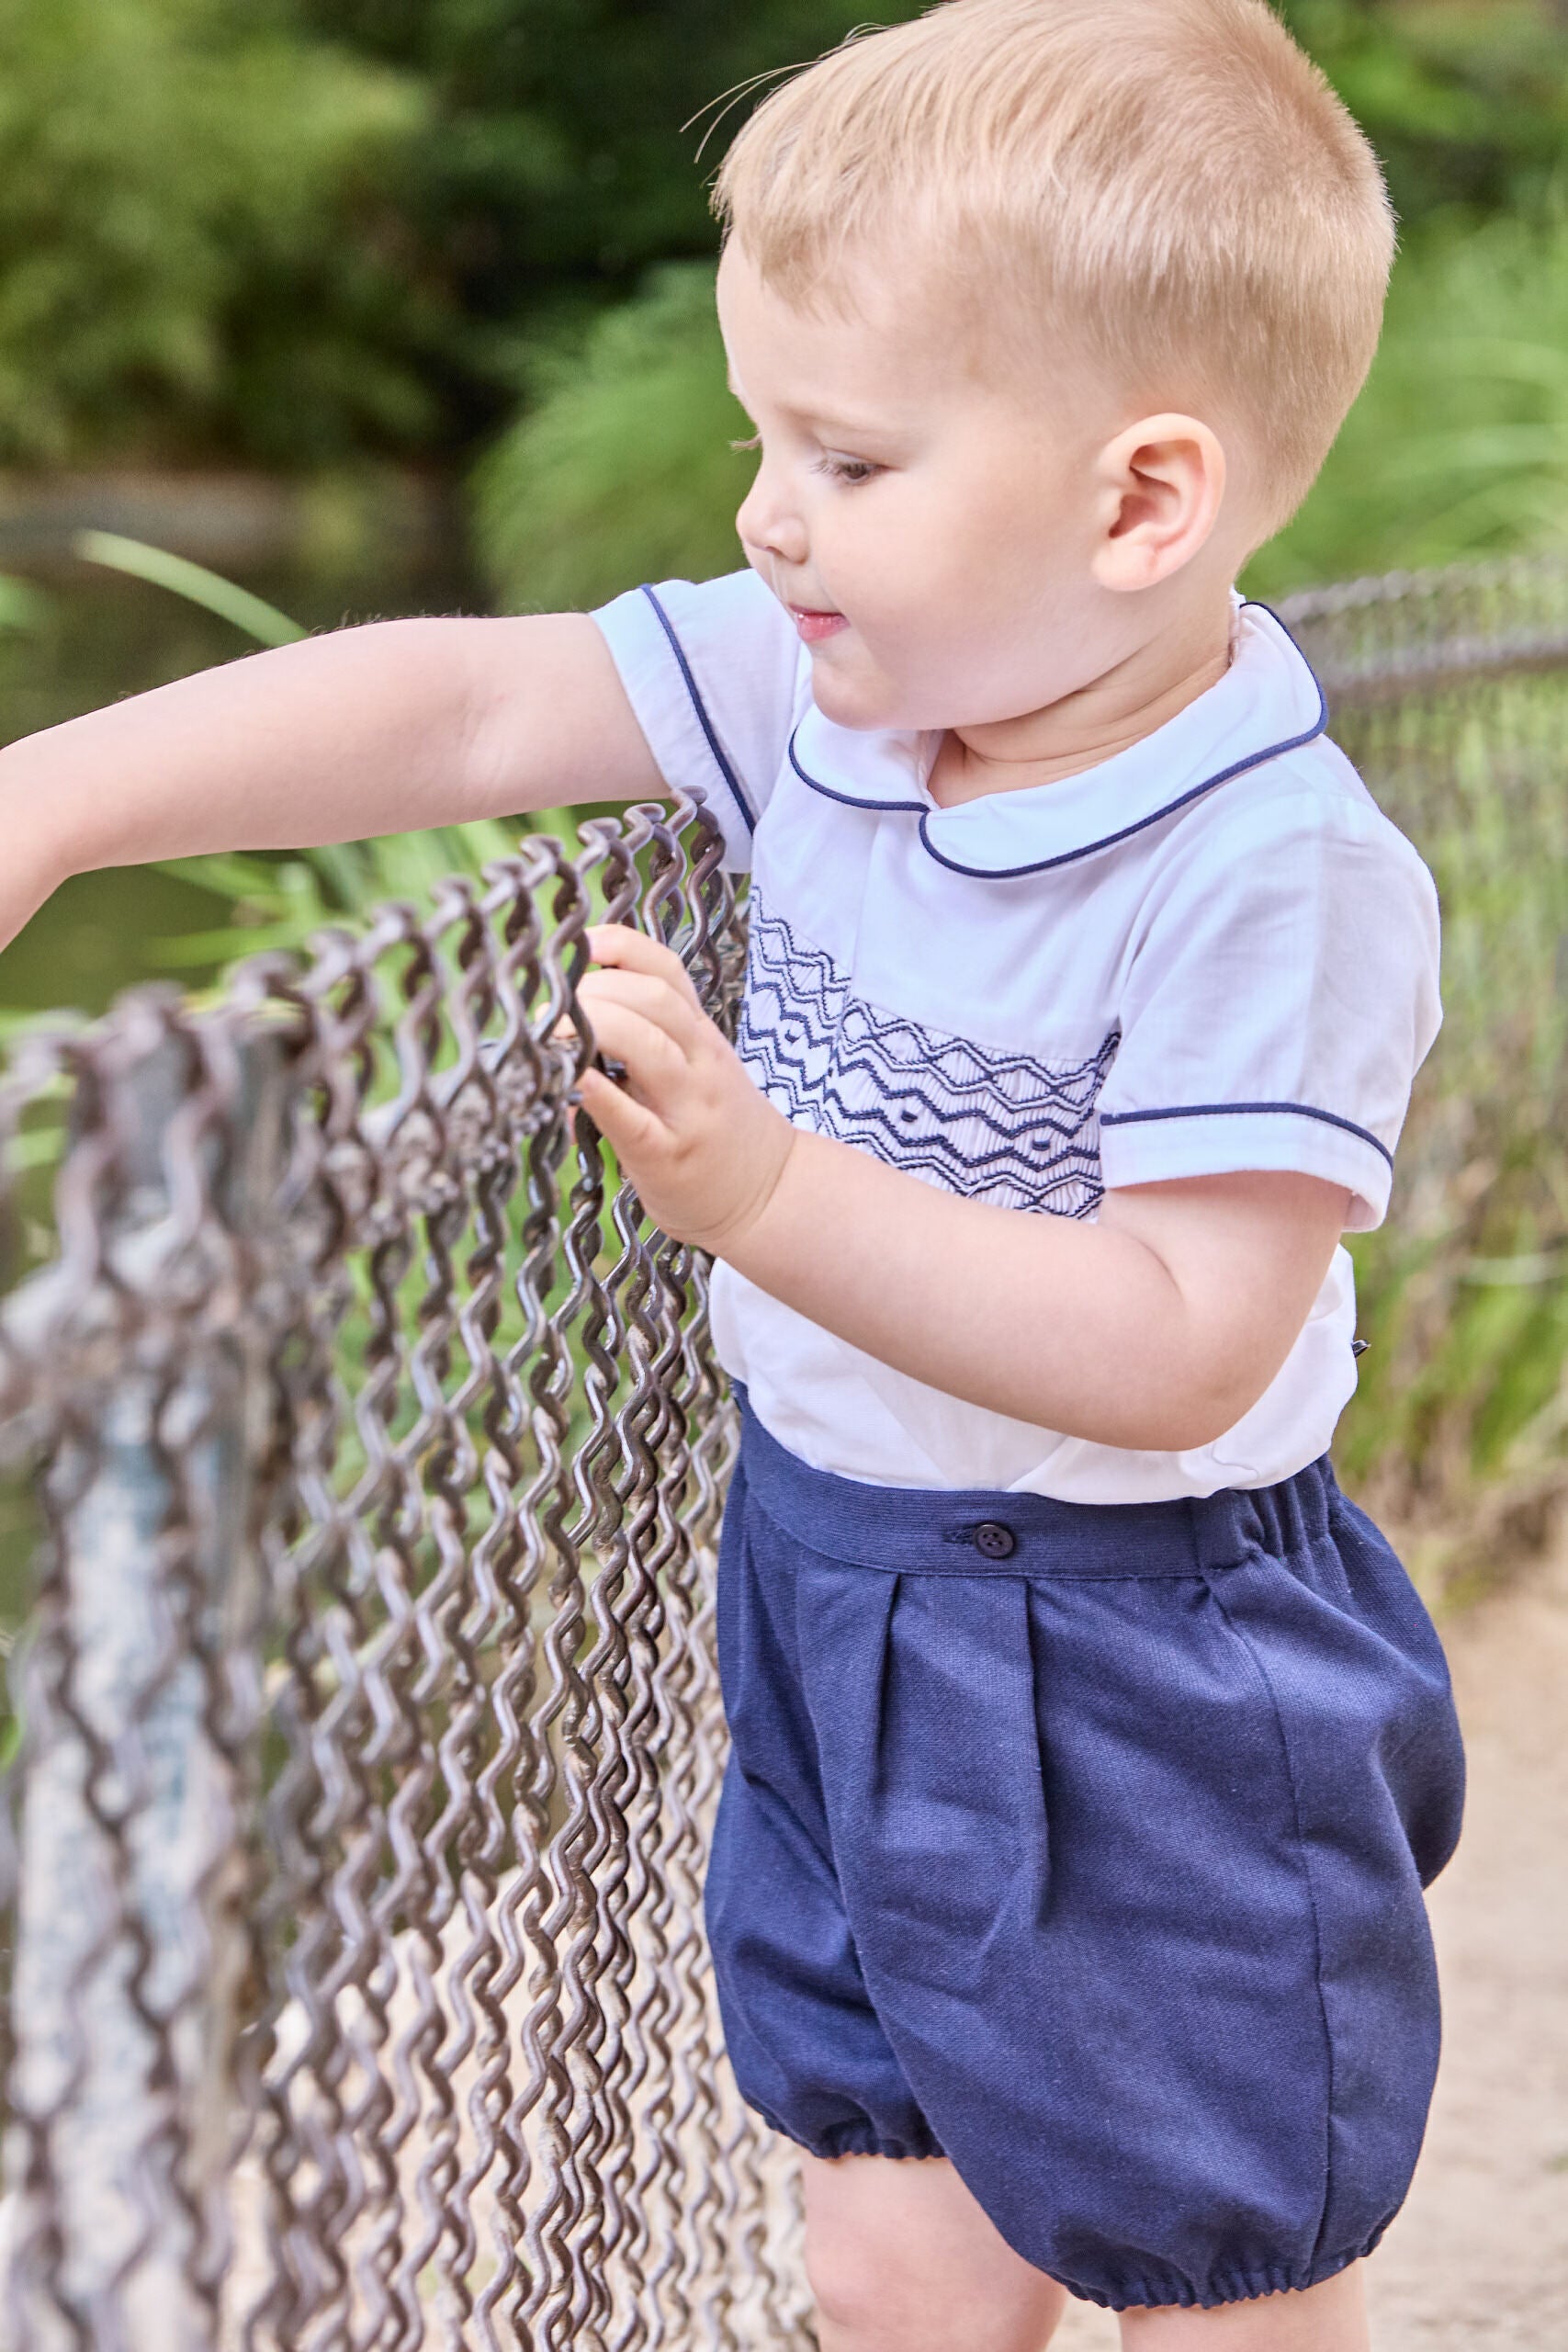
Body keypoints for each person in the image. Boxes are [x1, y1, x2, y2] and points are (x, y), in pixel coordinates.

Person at [1, 1, 1465, 2343]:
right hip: (829, 1579)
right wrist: (55, 797)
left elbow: (1181, 1346)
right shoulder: (844, 696)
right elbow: (461, 705)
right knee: (881, 2248)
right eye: (756, 435)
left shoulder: (1265, 874)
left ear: (1136, 504)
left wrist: (769, 1196)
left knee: (1214, 2262)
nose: (769, 515)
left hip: (1144, 1652)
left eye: (850, 457)